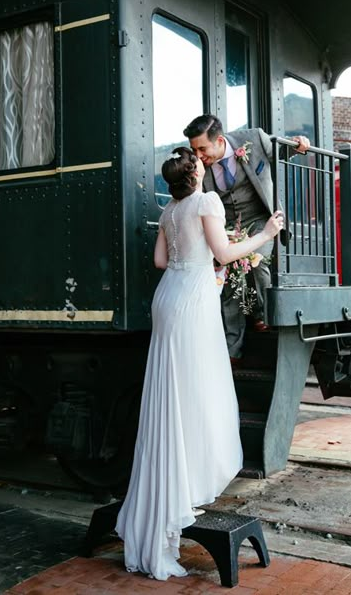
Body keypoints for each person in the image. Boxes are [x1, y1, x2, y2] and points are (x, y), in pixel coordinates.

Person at [115, 146, 284, 581]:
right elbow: (224, 253)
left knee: (171, 394)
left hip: (168, 297)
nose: (204, 161)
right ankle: (183, 488)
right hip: (191, 301)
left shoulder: (171, 207)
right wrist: (265, 233)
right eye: (199, 161)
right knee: (196, 394)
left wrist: (201, 266)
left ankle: (168, 496)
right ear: (196, 173)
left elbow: (159, 260)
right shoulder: (205, 201)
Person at [183, 114, 310, 362]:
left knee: (258, 261)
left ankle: (262, 315)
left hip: (261, 218)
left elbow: (279, 154)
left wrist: (298, 145)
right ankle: (233, 349)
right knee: (229, 278)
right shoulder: (198, 164)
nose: (198, 155)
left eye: (202, 148)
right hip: (227, 226)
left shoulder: (254, 139)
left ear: (219, 141)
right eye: (193, 149)